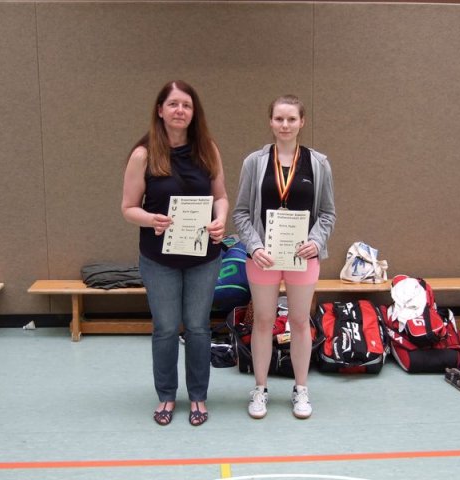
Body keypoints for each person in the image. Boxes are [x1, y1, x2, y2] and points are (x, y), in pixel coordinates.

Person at [121, 80, 228, 426]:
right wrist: (150, 219)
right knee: (166, 328)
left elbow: (221, 197)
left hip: (203, 258)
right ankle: (166, 395)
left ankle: (198, 396)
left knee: (198, 327)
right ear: (160, 110)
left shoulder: (207, 150)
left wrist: (220, 219)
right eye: (173, 104)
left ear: (194, 112)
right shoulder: (143, 154)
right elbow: (128, 208)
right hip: (159, 260)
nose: (180, 110)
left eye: (186, 105)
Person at [232, 94, 336, 419]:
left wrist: (316, 242)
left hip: (302, 258)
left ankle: (301, 388)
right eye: (279, 119)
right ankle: (260, 388)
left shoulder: (318, 164)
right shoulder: (254, 162)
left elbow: (328, 213)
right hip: (263, 257)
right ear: (271, 122)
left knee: (300, 321)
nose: (285, 125)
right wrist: (254, 246)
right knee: (263, 321)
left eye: (292, 119)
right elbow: (241, 213)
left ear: (302, 122)